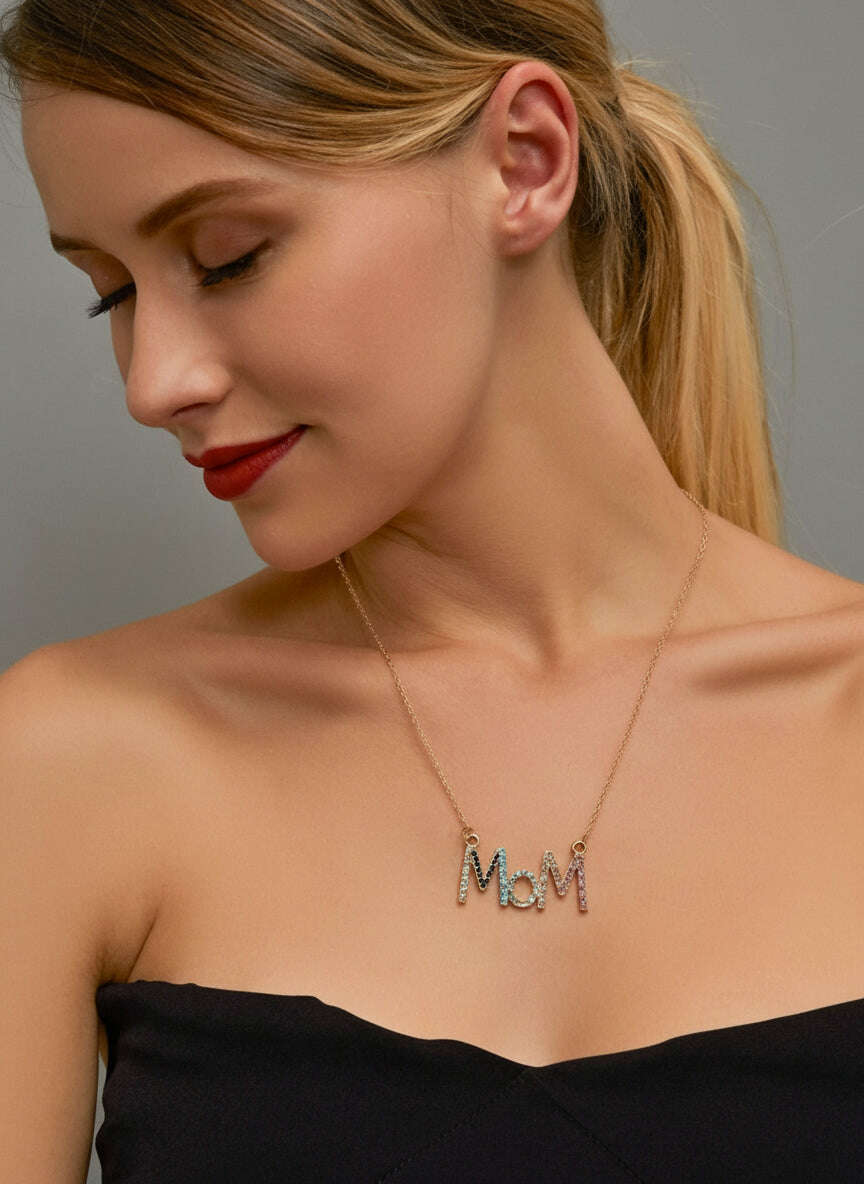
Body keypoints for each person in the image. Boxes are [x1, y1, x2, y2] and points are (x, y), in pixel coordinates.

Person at [1, 1, 862, 1181]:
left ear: (527, 162)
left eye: (228, 255)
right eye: (114, 292)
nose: (154, 382)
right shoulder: (68, 761)